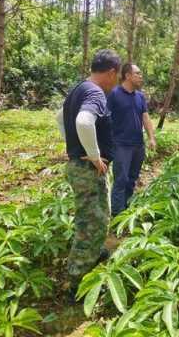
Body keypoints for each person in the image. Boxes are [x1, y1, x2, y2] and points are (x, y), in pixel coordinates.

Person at [55, 49, 121, 296]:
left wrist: (74, 146)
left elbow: (60, 118)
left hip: (80, 166)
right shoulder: (95, 92)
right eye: (116, 76)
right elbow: (83, 122)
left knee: (98, 217)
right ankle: (76, 282)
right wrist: (92, 154)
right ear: (112, 72)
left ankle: (94, 253)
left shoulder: (78, 88)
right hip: (87, 169)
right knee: (90, 223)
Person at [107, 63, 156, 217]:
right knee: (120, 179)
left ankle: (127, 209)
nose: (141, 76)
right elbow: (105, 119)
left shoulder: (140, 96)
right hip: (121, 145)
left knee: (132, 179)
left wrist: (151, 138)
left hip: (138, 145)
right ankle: (117, 214)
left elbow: (145, 117)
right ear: (127, 75)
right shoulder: (114, 94)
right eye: (137, 73)